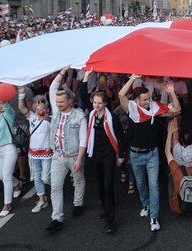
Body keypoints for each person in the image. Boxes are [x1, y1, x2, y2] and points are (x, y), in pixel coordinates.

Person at [118, 74, 181, 232]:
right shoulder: (131, 108)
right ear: (137, 100)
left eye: (148, 99)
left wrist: (172, 92)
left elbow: (178, 109)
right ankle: (145, 204)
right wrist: (132, 78)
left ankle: (154, 217)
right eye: (144, 100)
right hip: (136, 155)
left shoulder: (155, 107)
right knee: (140, 184)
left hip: (152, 154)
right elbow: (120, 94)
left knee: (154, 186)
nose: (148, 102)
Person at [45, 67, 88, 233]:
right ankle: (57, 218)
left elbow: (83, 139)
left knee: (78, 180)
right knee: (55, 187)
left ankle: (78, 203)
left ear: (70, 101)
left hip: (74, 155)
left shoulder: (79, 116)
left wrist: (79, 159)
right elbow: (53, 88)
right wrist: (63, 71)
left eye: (61, 102)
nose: (58, 104)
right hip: (58, 155)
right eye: (57, 102)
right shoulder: (56, 111)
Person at [85, 89, 125, 234]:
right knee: (101, 186)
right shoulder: (91, 115)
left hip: (108, 155)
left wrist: (121, 155)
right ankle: (106, 206)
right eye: (94, 102)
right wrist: (87, 77)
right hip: (95, 154)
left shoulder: (112, 118)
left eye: (100, 103)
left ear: (106, 103)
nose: (96, 105)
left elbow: (120, 137)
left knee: (108, 186)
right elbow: (83, 94)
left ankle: (110, 221)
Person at [17, 90, 52, 214]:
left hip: (46, 153)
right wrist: (21, 93)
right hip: (33, 153)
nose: (40, 107)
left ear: (46, 106)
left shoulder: (49, 119)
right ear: (34, 106)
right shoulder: (31, 117)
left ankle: (56, 186)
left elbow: (49, 122)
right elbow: (21, 106)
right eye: (37, 104)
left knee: (45, 177)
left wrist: (46, 117)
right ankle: (42, 199)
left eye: (42, 104)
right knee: (37, 177)